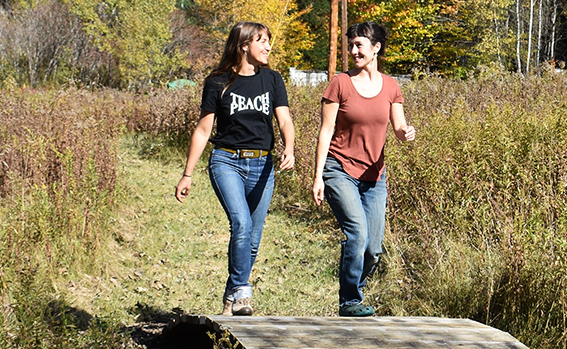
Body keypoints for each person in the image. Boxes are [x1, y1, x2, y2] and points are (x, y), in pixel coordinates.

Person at [176, 21, 295, 316]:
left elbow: (284, 120)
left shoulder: (273, 80)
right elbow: (203, 130)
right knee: (241, 224)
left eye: (268, 40)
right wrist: (187, 173)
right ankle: (243, 292)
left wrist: (289, 147)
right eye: (262, 41)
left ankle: (232, 293)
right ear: (244, 46)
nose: (268, 46)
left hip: (262, 165)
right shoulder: (218, 82)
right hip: (226, 161)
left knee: (252, 239)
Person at [312, 21, 415, 317]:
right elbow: (326, 131)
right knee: (356, 233)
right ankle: (349, 301)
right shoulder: (340, 84)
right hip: (339, 168)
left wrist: (406, 132)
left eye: (360, 45)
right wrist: (318, 176)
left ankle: (353, 288)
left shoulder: (392, 86)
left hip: (374, 176)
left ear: (376, 48)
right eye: (352, 45)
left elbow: (398, 127)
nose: (354, 51)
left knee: (373, 249)